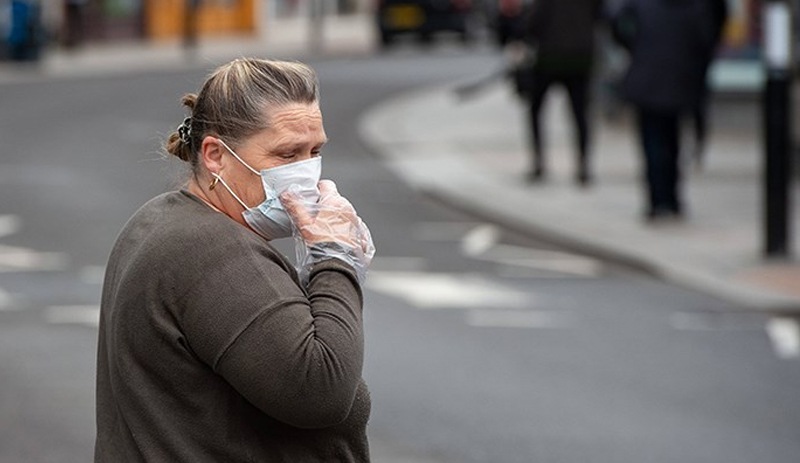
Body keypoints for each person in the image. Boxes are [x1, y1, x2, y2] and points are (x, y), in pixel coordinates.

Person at [94, 58, 375, 462]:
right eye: (287, 154)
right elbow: (320, 390)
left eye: (315, 151)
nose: (307, 173)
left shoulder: (160, 218)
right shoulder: (209, 250)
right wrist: (335, 259)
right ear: (215, 155)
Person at [611, 0, 721, 221]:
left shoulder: (643, 5)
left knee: (653, 142)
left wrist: (634, 46)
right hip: (679, 80)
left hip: (648, 79)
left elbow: (616, 19)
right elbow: (706, 40)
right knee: (673, 141)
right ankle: (671, 198)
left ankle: (657, 200)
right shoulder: (694, 8)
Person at [521, 0, 605, 186]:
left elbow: (534, 21)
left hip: (549, 57)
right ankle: (583, 165)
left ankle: (539, 162)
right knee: (580, 113)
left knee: (536, 110)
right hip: (581, 56)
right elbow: (601, 15)